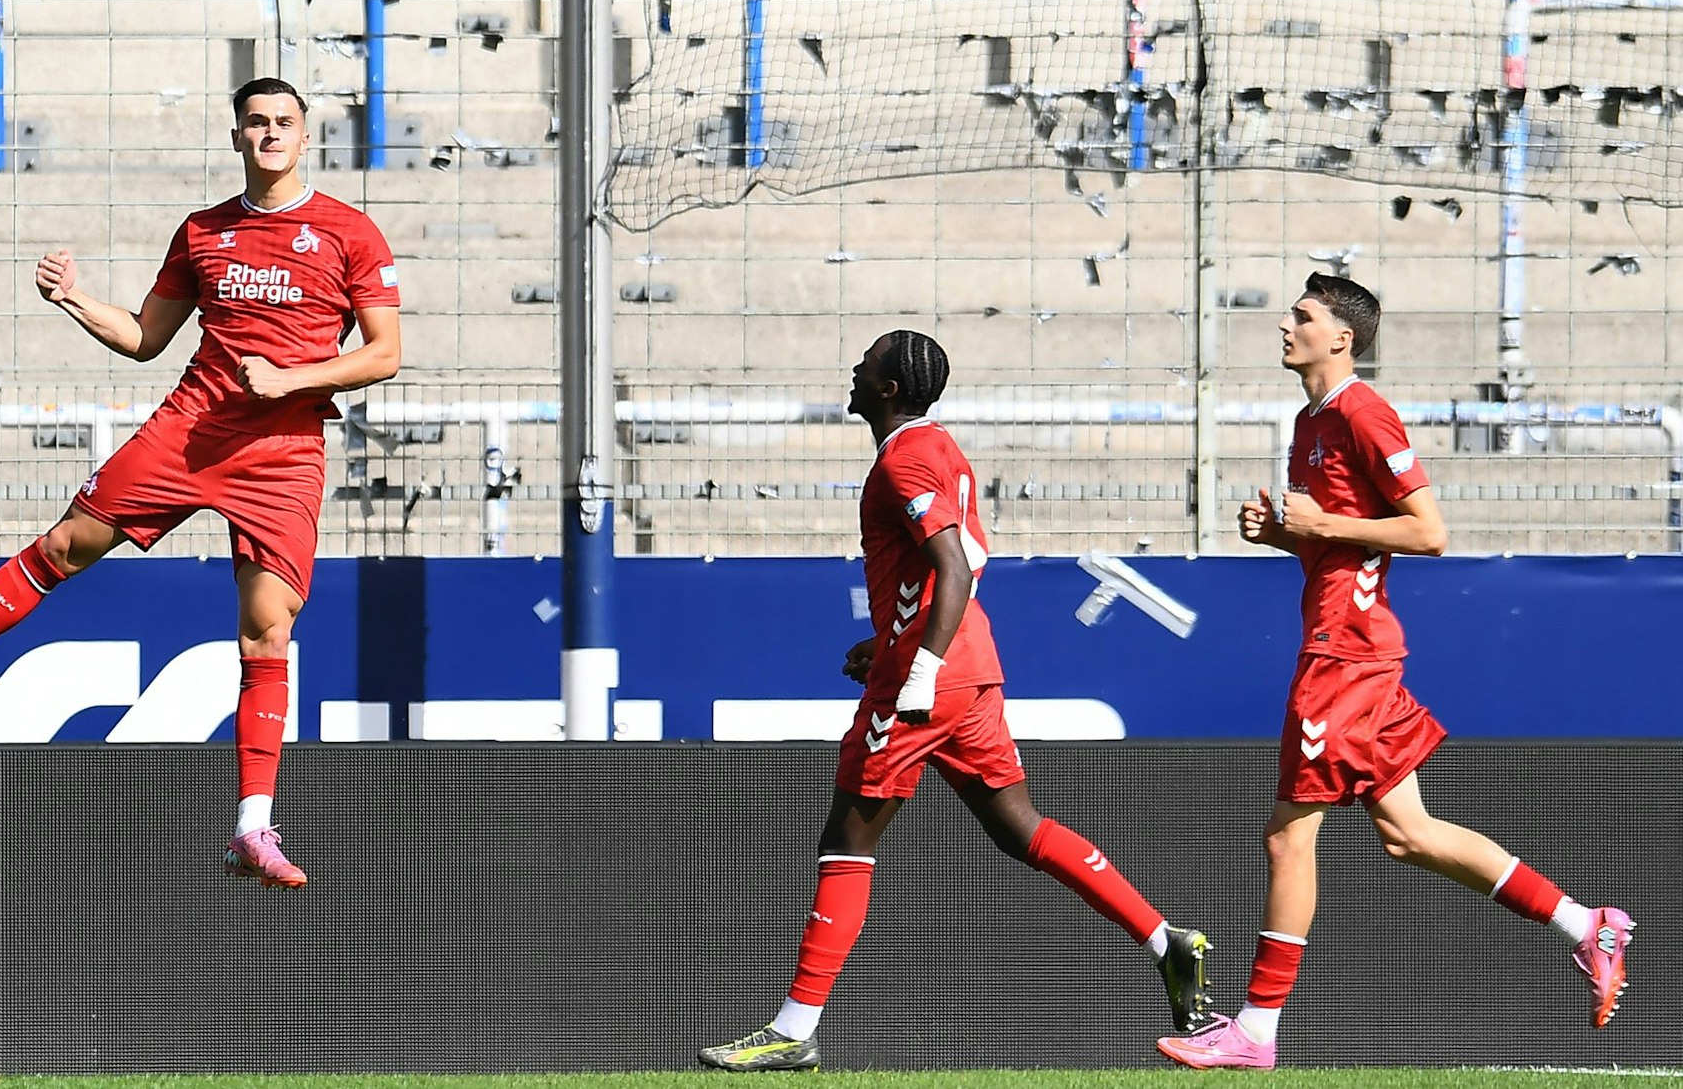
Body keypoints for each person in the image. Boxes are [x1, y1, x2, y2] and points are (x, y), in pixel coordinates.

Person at [0, 77, 403, 892]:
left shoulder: (349, 232)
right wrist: (73, 300)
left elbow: (384, 352)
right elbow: (145, 336)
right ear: (237, 136)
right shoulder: (204, 232)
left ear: (306, 138)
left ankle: (252, 825)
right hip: (191, 426)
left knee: (265, 627)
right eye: (255, 123)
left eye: (284, 123)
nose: (270, 134)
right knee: (67, 543)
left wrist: (293, 379)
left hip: (283, 446)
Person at [698, 330, 1213, 1072]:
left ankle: (792, 1029)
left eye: (866, 361)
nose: (853, 365)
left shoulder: (905, 456)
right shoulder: (936, 447)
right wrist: (892, 641)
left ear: (886, 388)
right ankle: (1165, 941)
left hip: (927, 683)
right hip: (968, 671)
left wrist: (912, 669)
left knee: (847, 841)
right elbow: (963, 561)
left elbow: (951, 564)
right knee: (1018, 828)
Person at [1155, 273, 1634, 1070]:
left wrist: (1316, 520)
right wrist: (1284, 535)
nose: (1284, 324)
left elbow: (1428, 531)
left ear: (1340, 338)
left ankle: (1255, 1030)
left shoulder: (1361, 412)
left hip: (1346, 655)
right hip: (1348, 644)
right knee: (1407, 835)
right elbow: (1344, 540)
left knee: (1285, 840)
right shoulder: (1308, 421)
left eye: (1301, 317)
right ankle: (1588, 927)